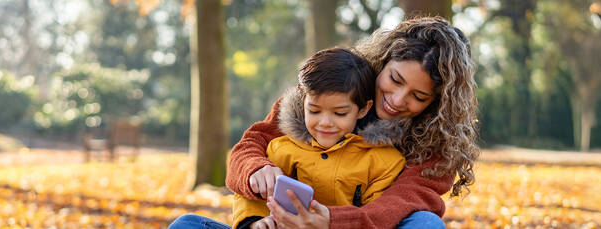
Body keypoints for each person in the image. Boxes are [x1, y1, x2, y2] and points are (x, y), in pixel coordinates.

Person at [170, 16, 477, 229]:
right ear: (383, 62)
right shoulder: (320, 99)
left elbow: (399, 205)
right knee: (188, 224)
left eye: (418, 96)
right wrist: (256, 171)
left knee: (426, 223)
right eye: (395, 79)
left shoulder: (436, 146)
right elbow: (249, 147)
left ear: (436, 103)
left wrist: (331, 221)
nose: (397, 99)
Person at [231, 47, 411, 229]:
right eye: (314, 110)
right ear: (303, 103)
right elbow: (252, 194)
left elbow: (376, 217)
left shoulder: (384, 162)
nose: (325, 123)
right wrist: (254, 222)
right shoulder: (282, 149)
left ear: (363, 109)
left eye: (339, 113)